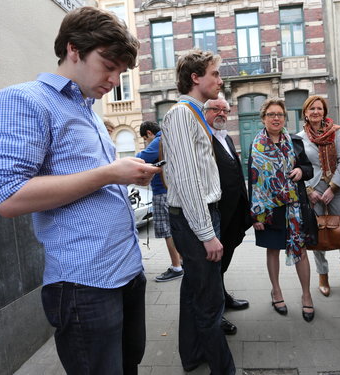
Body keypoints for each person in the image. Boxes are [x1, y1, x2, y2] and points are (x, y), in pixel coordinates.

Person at [0, 7, 161, 374]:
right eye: (109, 65)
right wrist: (109, 173)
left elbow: (96, 178)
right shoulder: (26, 101)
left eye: (121, 71)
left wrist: (126, 174)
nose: (114, 79)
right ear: (74, 49)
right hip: (84, 284)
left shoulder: (87, 108)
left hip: (126, 271)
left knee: (127, 366)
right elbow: (8, 197)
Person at [160, 49, 235, 374]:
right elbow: (188, 180)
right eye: (215, 74)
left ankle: (192, 356)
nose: (220, 80)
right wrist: (207, 233)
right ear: (195, 77)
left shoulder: (192, 114)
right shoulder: (181, 114)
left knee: (194, 292)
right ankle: (223, 368)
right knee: (209, 301)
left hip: (199, 217)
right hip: (196, 220)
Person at [248, 98, 317, 322]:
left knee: (301, 251)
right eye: (271, 114)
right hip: (268, 209)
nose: (276, 118)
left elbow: (308, 168)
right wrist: (256, 214)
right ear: (264, 119)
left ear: (285, 118)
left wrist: (300, 171)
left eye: (279, 114)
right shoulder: (255, 144)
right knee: (272, 250)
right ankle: (276, 291)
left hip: (294, 207)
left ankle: (306, 295)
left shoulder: (295, 142)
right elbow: (252, 180)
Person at [297, 95, 340, 297]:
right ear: (305, 113)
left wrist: (333, 188)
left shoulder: (335, 132)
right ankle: (322, 274)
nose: (316, 112)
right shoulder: (299, 138)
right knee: (316, 231)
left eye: (319, 108)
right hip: (312, 189)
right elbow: (298, 167)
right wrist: (309, 191)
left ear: (324, 112)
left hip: (337, 187)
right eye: (312, 109)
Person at [203, 95, 252, 335]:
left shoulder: (226, 138)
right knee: (213, 265)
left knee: (225, 260)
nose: (222, 114)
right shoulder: (203, 139)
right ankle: (216, 313)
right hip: (217, 214)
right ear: (205, 112)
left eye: (225, 110)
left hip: (234, 213)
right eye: (216, 109)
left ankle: (222, 296)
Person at [136, 121, 184, 282]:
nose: (146, 143)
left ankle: (176, 266)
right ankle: (182, 260)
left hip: (162, 191)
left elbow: (142, 158)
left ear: (149, 133)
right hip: (173, 189)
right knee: (176, 228)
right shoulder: (170, 138)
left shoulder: (159, 141)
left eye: (145, 139)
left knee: (166, 230)